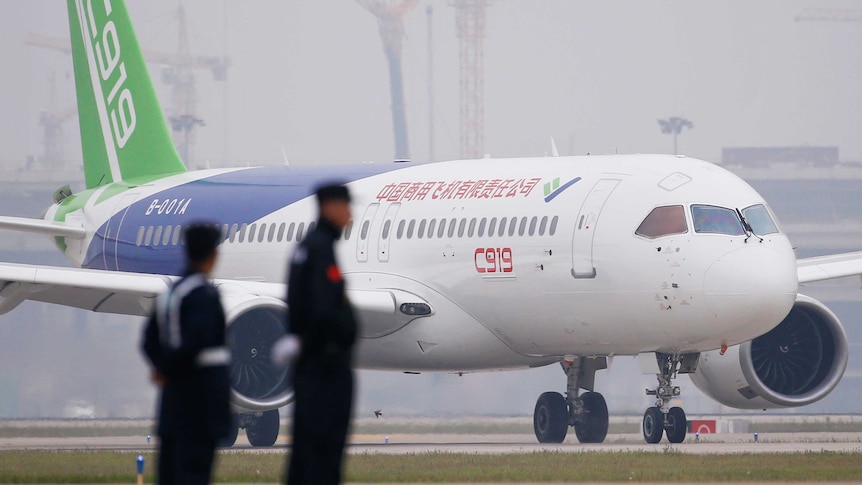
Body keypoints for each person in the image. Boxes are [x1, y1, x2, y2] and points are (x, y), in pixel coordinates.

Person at [141, 223, 232, 485]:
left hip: (173, 402)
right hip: (201, 402)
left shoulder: (170, 294)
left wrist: (162, 369)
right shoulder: (203, 295)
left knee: (170, 471)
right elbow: (197, 341)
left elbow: (148, 341)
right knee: (194, 473)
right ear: (213, 255)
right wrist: (171, 367)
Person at [282, 183, 357, 485]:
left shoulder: (306, 248)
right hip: (324, 367)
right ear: (330, 208)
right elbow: (322, 309)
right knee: (323, 452)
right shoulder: (320, 250)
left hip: (312, 365)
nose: (350, 216)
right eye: (346, 207)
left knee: (306, 450)